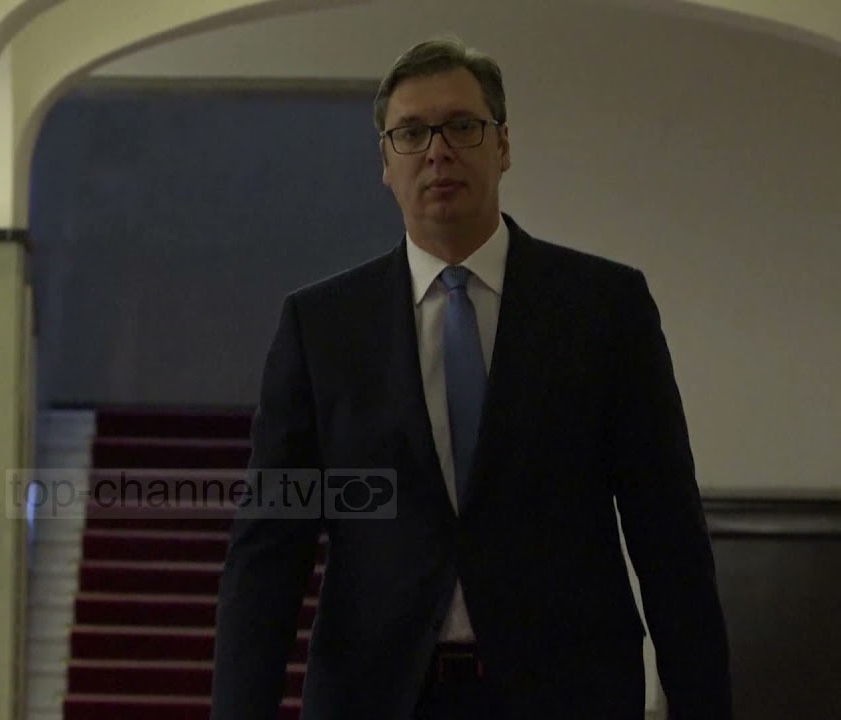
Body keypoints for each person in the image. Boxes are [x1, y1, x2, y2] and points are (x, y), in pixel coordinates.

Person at [210, 36, 732, 719]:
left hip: (567, 693)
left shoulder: (605, 309)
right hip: (376, 693)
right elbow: (269, 551)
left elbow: (668, 535)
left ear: (503, 144)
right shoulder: (321, 327)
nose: (437, 151)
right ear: (386, 163)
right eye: (411, 133)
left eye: (462, 125)